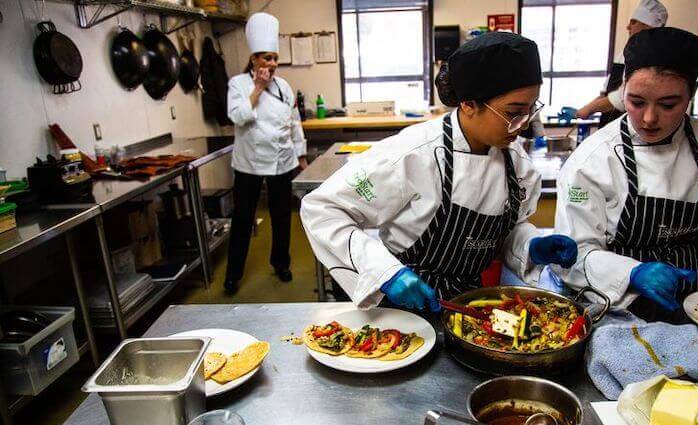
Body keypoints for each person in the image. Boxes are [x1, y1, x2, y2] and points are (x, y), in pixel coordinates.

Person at [300, 33, 578, 311]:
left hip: (470, 305)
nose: (523, 125)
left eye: (531, 109)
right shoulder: (412, 155)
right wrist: (385, 273)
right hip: (403, 306)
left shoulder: (516, 163)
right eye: (513, 112)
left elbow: (503, 232)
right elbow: (323, 209)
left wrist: (532, 245)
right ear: (468, 104)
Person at [554, 27, 698, 323]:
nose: (649, 118)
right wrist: (632, 273)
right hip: (619, 308)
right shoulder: (593, 160)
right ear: (623, 89)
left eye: (668, 105)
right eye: (636, 102)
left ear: (692, 93)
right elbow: (573, 252)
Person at [224, 13, 308, 293]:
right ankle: (233, 275)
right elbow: (237, 117)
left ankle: (281, 263)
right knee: (243, 218)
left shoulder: (284, 87)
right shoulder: (238, 84)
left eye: (274, 58)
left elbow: (294, 122)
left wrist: (301, 156)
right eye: (267, 58)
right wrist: (258, 89)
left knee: (282, 216)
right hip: (249, 163)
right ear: (253, 59)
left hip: (282, 160)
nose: (272, 63)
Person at [575, 0, 667, 126]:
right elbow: (606, 92)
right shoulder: (625, 53)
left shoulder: (651, 56)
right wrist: (581, 110)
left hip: (627, 125)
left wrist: (588, 109)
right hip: (608, 124)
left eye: (634, 22)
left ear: (648, 27)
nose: (628, 27)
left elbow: (623, 98)